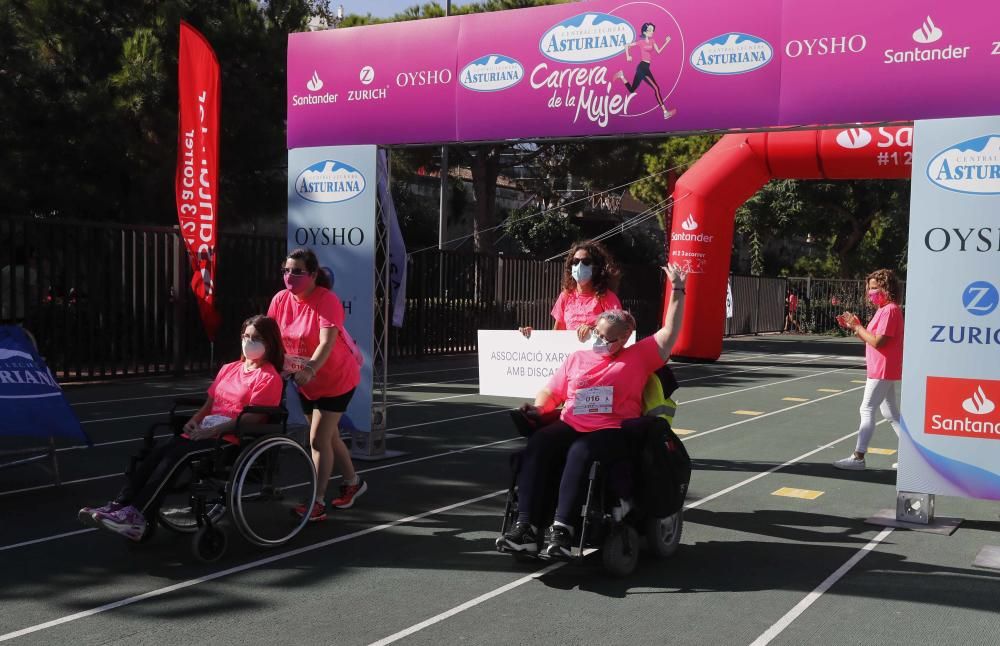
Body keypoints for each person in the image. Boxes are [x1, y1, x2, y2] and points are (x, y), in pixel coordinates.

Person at [499, 264, 687, 559]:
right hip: (572, 421)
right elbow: (552, 392)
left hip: (611, 429)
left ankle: (562, 528)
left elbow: (670, 330)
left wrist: (677, 290)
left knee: (581, 451)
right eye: (597, 333)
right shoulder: (576, 358)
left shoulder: (638, 357)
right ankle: (526, 527)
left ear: (624, 338)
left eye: (607, 337)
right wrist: (538, 408)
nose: (599, 339)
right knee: (539, 442)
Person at [78, 315, 285, 539]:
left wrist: (213, 430)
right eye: (246, 336)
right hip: (205, 431)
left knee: (174, 456)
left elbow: (252, 420)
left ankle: (137, 515)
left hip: (231, 439)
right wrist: (194, 421)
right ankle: (120, 505)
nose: (249, 342)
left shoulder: (269, 377)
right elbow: (209, 405)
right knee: (159, 450)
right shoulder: (229, 368)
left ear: (269, 342)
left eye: (256, 338)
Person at [268, 248, 366, 521]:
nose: (290, 277)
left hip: (336, 378)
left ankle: (317, 501)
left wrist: (311, 368)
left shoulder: (327, 300)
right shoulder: (279, 300)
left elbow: (327, 342)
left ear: (312, 275)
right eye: (286, 271)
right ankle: (353, 482)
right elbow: (272, 336)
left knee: (318, 440)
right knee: (329, 436)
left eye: (297, 271)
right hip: (304, 381)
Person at [833, 269, 904, 471]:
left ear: (886, 288)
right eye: (870, 288)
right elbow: (870, 338)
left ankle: (858, 457)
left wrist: (857, 327)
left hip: (882, 367)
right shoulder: (884, 310)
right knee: (890, 412)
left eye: (875, 288)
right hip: (881, 367)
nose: (871, 292)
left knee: (867, 409)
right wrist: (854, 327)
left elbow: (878, 342)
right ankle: (912, 456)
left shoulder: (890, 310)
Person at [520, 240, 623, 343]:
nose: (579, 265)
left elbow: (619, 332)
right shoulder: (565, 296)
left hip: (597, 357)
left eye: (586, 262)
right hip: (571, 357)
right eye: (575, 262)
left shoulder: (607, 297)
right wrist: (534, 337)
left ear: (596, 267)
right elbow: (556, 335)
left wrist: (593, 331)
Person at [614, 22, 677, 120]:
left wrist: (666, 42)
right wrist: (628, 56)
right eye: (650, 30)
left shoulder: (652, 41)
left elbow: (659, 51)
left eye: (653, 30)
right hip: (642, 68)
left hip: (645, 67)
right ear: (644, 32)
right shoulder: (640, 42)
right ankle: (665, 112)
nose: (652, 32)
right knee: (656, 88)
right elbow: (627, 46)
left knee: (631, 90)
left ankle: (622, 76)